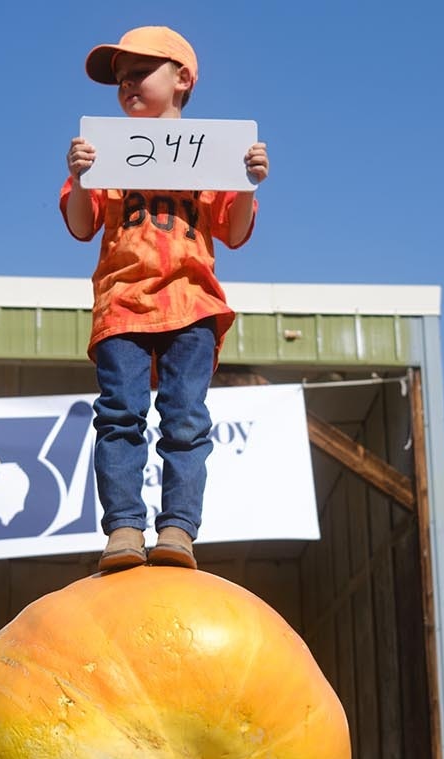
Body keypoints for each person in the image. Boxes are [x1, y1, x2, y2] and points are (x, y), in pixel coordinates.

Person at [62, 25, 269, 572]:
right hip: (123, 303)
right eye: (119, 79)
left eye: (139, 72)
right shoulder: (102, 150)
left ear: (182, 79)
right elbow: (82, 226)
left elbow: (235, 229)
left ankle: (178, 529)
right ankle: (125, 529)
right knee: (119, 416)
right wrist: (79, 178)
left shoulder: (214, 155)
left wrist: (248, 183)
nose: (126, 84)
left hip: (192, 302)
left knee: (185, 420)